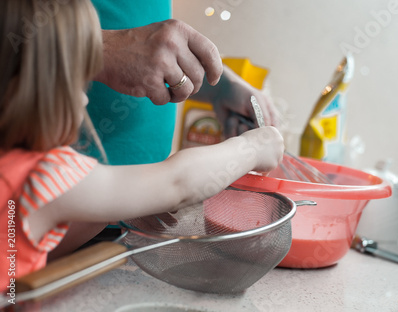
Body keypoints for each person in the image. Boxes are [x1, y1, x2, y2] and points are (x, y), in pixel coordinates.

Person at [0, 0, 284, 287]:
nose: (86, 99)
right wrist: (255, 147)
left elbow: (30, 248)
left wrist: (134, 200)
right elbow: (178, 182)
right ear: (26, 90)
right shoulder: (44, 178)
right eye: (78, 81)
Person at [84, 0, 279, 165]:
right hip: (79, 180)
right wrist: (102, 50)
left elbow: (143, 41)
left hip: (151, 180)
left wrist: (218, 88)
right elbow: (179, 183)